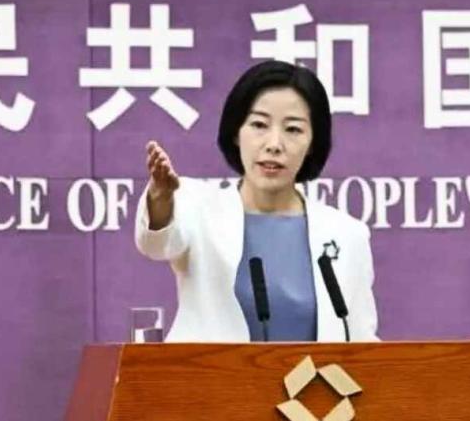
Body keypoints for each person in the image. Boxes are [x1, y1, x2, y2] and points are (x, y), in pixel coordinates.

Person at [134, 60, 379, 342]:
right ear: (236, 133)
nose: (274, 144)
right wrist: (160, 199)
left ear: (313, 143)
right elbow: (156, 244)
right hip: (211, 372)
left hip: (317, 374)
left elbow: (362, 342)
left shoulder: (347, 234)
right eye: (259, 125)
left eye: (293, 129)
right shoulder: (198, 208)